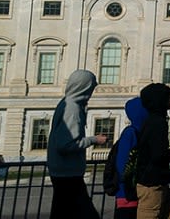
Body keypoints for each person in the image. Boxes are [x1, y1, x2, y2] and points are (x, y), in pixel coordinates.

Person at [47, 69, 108, 219]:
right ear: (84, 87)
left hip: (63, 171)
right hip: (68, 173)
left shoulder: (66, 102)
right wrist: (94, 140)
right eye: (91, 87)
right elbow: (65, 145)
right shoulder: (73, 109)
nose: (92, 92)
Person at [132, 83, 170, 219]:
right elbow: (157, 155)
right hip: (151, 183)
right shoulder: (158, 122)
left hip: (156, 181)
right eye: (168, 97)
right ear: (160, 100)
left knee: (168, 212)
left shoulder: (151, 120)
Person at [113, 95, 148, 219]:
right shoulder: (130, 133)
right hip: (127, 194)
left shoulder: (139, 132)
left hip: (135, 192)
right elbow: (122, 164)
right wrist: (129, 188)